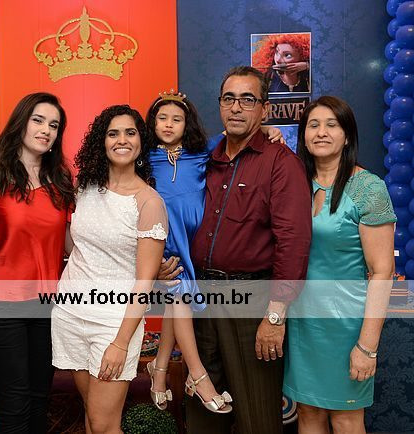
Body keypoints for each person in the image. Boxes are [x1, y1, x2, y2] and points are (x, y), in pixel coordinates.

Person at [158, 66, 311, 433]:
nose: (237, 107)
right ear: (220, 105)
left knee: (257, 415)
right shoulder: (203, 158)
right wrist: (162, 264)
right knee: (202, 413)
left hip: (252, 301)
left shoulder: (281, 163)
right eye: (229, 98)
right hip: (200, 297)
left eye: (248, 99)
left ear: (264, 108)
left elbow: (293, 242)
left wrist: (275, 317)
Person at [144, 90, 285, 413]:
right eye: (162, 118)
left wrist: (266, 129)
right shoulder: (144, 157)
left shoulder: (201, 152)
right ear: (152, 123)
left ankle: (160, 367)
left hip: (194, 240)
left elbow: (234, 133)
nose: (168, 124)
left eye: (177, 119)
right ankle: (198, 375)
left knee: (176, 301)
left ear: (188, 124)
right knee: (179, 295)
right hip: (166, 238)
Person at [283, 96, 396, 434]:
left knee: (346, 418)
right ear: (303, 135)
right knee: (308, 413)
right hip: (302, 324)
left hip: (346, 327)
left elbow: (382, 272)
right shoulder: (293, 183)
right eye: (313, 125)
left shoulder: (368, 188)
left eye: (332, 125)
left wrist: (367, 346)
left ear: (347, 136)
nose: (321, 132)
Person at [52, 105, 168, 433]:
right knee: (93, 418)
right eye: (113, 133)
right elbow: (77, 246)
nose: (122, 140)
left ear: (141, 141)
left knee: (104, 424)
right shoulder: (85, 189)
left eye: (130, 133)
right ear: (101, 142)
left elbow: (145, 283)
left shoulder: (149, 202)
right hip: (70, 314)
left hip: (113, 323)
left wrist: (120, 343)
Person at [0, 93, 75, 433]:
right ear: (21, 122)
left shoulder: (62, 181)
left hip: (48, 304)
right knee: (13, 403)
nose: (46, 130)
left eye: (54, 125)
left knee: (38, 400)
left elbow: (72, 245)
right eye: (38, 120)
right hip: (1, 303)